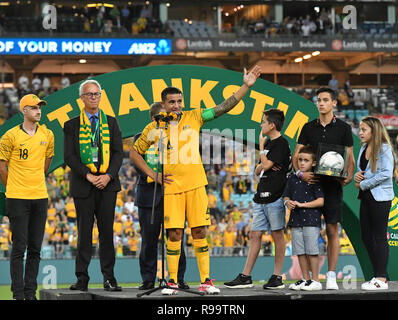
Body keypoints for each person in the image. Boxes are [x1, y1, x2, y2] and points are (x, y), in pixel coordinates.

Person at [130, 66, 261, 295]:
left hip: (196, 186)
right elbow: (134, 153)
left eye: (180, 101)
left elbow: (224, 107)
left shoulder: (195, 116)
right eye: (172, 102)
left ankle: (205, 281)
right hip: (171, 188)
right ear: (163, 104)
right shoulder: (154, 127)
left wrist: (245, 87)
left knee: (200, 232)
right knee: (174, 235)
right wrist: (154, 175)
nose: (177, 105)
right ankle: (171, 282)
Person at [292, 87, 355, 290]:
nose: (321, 103)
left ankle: (330, 276)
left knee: (331, 229)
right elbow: (296, 156)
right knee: (306, 230)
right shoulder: (308, 127)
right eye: (318, 100)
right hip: (310, 186)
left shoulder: (344, 128)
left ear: (334, 103)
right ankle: (307, 277)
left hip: (332, 187)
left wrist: (350, 174)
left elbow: (350, 157)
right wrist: (301, 174)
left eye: (325, 100)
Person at [63, 79, 123, 292]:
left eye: (97, 94)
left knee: (107, 233)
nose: (94, 97)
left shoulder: (111, 122)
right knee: (84, 234)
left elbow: (118, 153)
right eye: (89, 94)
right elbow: (69, 156)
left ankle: (109, 278)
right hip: (84, 185)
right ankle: (82, 278)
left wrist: (108, 175)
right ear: (82, 98)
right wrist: (88, 175)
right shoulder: (71, 125)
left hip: (108, 185)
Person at [0, 94, 54, 300]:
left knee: (36, 248)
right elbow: (0, 169)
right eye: (34, 107)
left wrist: (34, 181)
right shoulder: (10, 136)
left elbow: (46, 164)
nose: (39, 110)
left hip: (40, 197)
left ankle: (30, 293)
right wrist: (15, 187)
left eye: (40, 107)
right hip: (17, 197)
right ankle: (18, 295)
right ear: (24, 111)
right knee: (19, 248)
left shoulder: (48, 134)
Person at [224, 109, 290, 290]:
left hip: (275, 196)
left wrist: (263, 153)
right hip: (261, 195)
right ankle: (245, 276)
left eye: (263, 122)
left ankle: (277, 276)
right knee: (255, 234)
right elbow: (258, 169)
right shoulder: (270, 143)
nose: (261, 125)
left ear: (272, 125)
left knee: (278, 235)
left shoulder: (281, 143)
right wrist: (264, 163)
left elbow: (266, 165)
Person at [134, 102, 188, 290]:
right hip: (149, 196)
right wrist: (154, 175)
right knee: (149, 240)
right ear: (152, 119)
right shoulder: (140, 138)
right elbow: (138, 166)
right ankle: (148, 278)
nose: (168, 121)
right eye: (163, 118)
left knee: (176, 238)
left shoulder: (178, 139)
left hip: (174, 194)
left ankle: (178, 277)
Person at [354, 116, 395, 290]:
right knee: (366, 236)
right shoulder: (363, 148)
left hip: (380, 198)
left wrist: (363, 183)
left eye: (364, 130)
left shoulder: (384, 149)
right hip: (366, 196)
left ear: (374, 131)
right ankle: (380, 274)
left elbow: (387, 173)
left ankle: (381, 278)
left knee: (379, 236)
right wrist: (358, 176)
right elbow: (361, 170)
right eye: (360, 129)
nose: (360, 132)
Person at [284, 146, 324, 291]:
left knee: (312, 251)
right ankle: (305, 279)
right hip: (296, 220)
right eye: (300, 160)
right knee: (299, 251)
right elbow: (286, 195)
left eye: (306, 160)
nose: (302, 163)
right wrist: (287, 202)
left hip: (311, 220)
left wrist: (302, 204)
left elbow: (321, 201)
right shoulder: (293, 178)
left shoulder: (316, 179)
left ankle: (315, 280)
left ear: (313, 163)